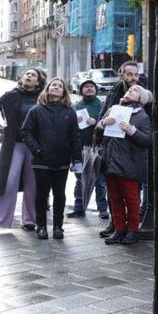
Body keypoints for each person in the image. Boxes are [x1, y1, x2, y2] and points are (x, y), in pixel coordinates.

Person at [0, 67, 46, 235]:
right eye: (27, 74)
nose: (29, 77)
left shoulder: (43, 98)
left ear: (38, 82)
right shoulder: (10, 95)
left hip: (35, 145)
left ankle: (30, 220)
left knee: (33, 184)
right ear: (22, 78)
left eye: (33, 75)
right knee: (8, 182)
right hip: (14, 144)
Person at [21, 77, 83, 240]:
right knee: (41, 194)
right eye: (53, 85)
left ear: (64, 92)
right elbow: (26, 132)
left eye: (60, 86)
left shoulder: (69, 111)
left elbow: (75, 136)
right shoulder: (36, 110)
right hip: (41, 160)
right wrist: (37, 149)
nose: (56, 87)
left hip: (62, 159)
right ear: (47, 89)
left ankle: (58, 227)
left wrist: (77, 158)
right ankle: (41, 226)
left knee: (60, 194)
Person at [100, 85, 152, 245]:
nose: (131, 90)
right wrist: (102, 123)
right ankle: (119, 229)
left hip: (130, 164)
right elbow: (99, 133)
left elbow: (147, 141)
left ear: (141, 99)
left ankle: (132, 230)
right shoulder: (114, 110)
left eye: (135, 90)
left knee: (131, 199)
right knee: (114, 198)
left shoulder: (142, 116)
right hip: (110, 162)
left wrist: (131, 130)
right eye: (130, 89)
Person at [68, 79, 107, 220]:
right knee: (80, 180)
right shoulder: (76, 106)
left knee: (100, 181)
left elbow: (108, 125)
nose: (89, 89)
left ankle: (103, 209)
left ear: (95, 90)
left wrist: (96, 122)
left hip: (98, 148)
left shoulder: (102, 106)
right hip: (80, 148)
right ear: (81, 90)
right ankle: (79, 208)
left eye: (91, 87)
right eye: (86, 87)